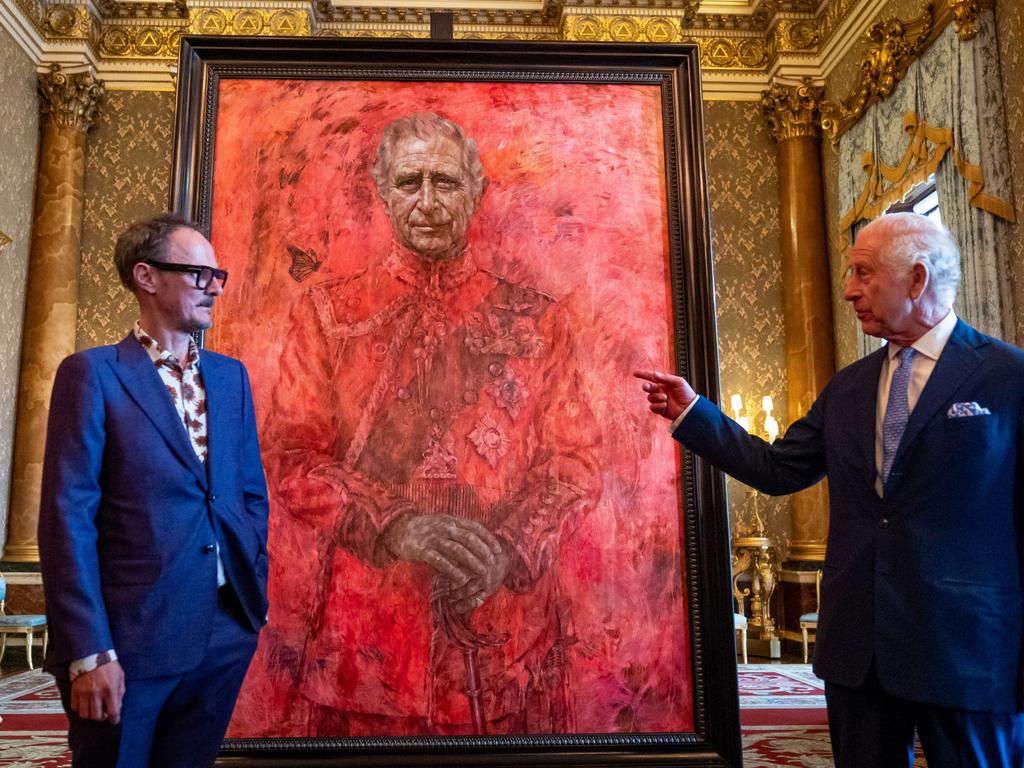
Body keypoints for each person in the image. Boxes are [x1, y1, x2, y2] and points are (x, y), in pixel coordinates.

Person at [636, 212, 1024, 767]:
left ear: (917, 279)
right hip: (858, 653)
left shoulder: (1009, 379)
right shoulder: (849, 388)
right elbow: (777, 470)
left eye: (863, 273)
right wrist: (696, 415)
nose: (848, 291)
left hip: (969, 654)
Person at [257, 112, 600, 736]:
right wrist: (394, 527)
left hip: (505, 630)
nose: (427, 201)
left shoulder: (538, 319)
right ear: (384, 191)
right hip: (371, 628)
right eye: (410, 181)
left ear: (474, 192)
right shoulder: (326, 313)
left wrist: (510, 547)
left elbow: (573, 463)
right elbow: (291, 458)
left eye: (444, 182)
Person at [38, 213, 270, 767]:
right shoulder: (92, 374)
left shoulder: (230, 376)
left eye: (219, 276)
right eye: (198, 274)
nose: (213, 287)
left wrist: (250, 594)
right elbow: (67, 517)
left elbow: (248, 495)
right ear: (147, 277)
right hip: (128, 641)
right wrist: (89, 652)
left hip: (223, 632)